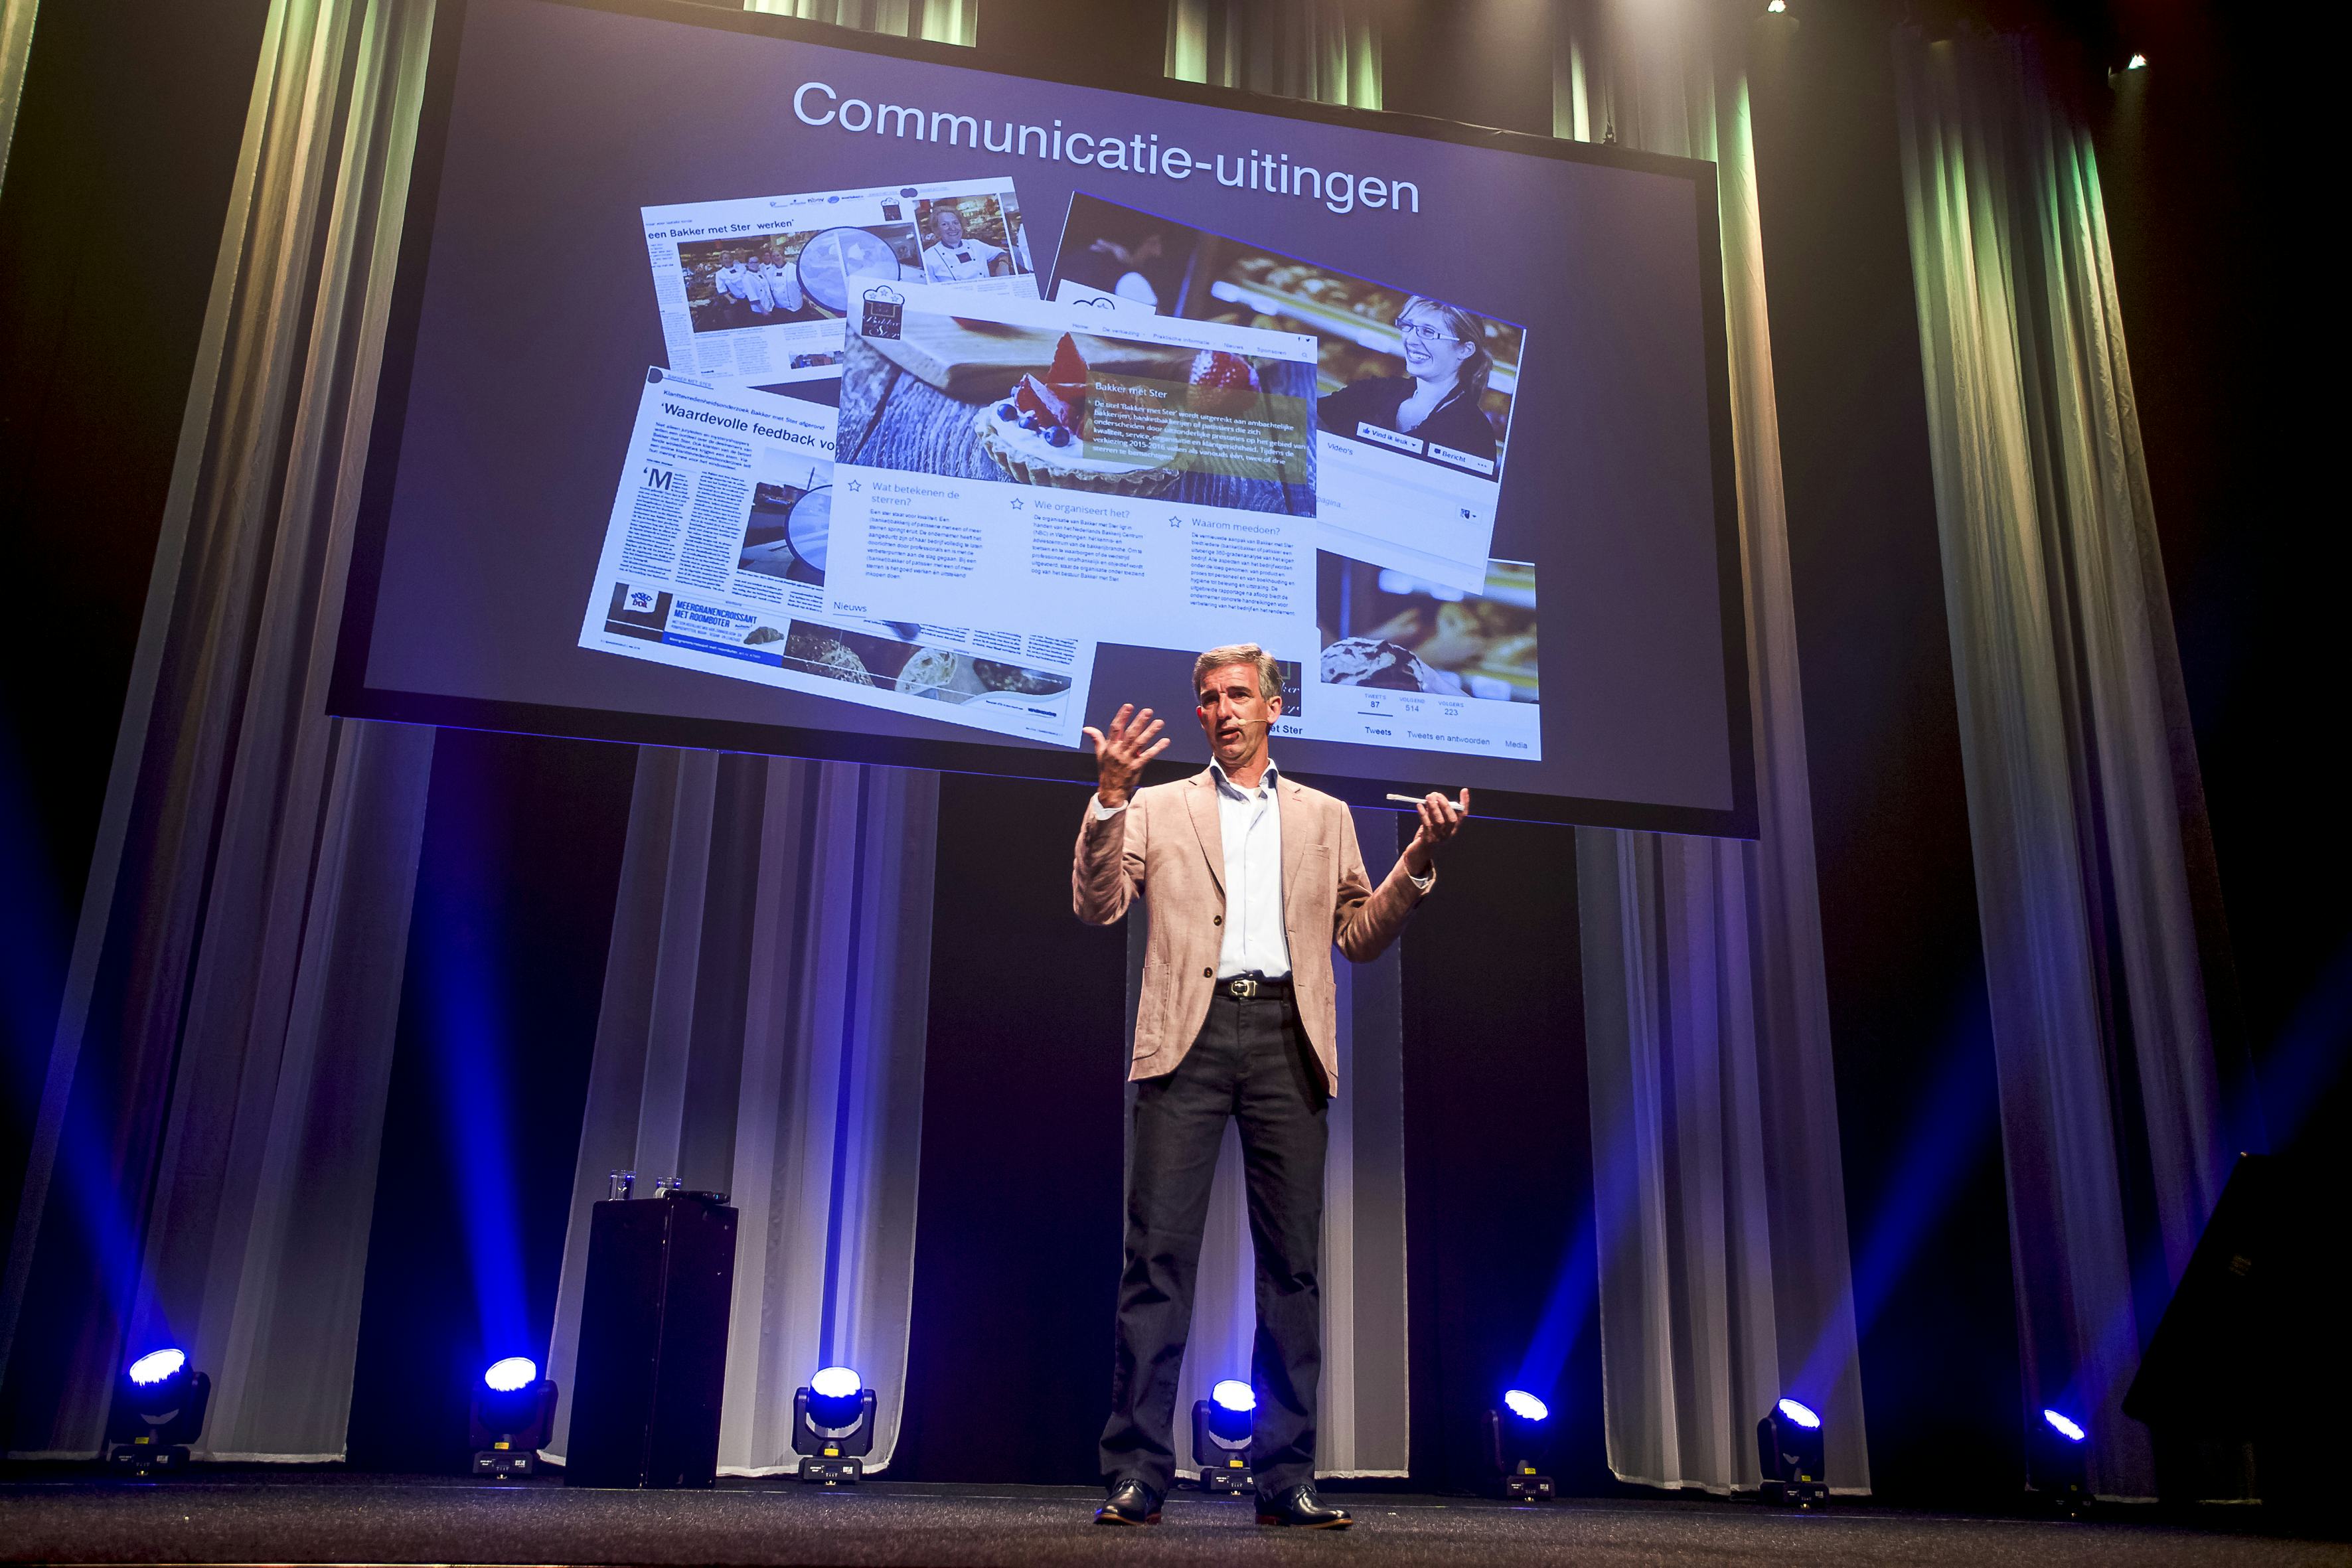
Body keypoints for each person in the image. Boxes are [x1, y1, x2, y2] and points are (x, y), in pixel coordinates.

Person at [1075, 644, 1467, 1531]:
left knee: (1292, 1266)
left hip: (1288, 1035)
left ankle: (1286, 1478)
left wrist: (1415, 861)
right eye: (1209, 697)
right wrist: (1108, 800)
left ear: (1273, 707)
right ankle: (1137, 1472)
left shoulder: (1324, 816)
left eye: (1238, 694)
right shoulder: (1157, 806)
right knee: (1156, 1260)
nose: (1222, 709)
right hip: (1188, 1034)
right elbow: (1097, 905)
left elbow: (1358, 936)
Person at [1316, 295, 1498, 463]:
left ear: (1465, 350)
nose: (1411, 340)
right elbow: (1307, 417)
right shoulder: (1374, 391)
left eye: (1428, 332)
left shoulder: (1474, 433)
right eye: (1408, 326)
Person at [920, 205, 1009, 282]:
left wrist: (1003, 265)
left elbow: (1001, 253)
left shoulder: (975, 245)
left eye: (955, 223)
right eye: (945, 224)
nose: (952, 228)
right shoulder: (929, 257)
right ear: (937, 229)